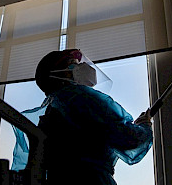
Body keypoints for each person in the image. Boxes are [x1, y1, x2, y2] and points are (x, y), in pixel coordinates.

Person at [12, 49, 153, 185]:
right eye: (74, 63)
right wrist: (144, 125)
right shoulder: (82, 99)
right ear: (62, 74)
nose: (82, 67)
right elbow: (131, 140)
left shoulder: (54, 108)